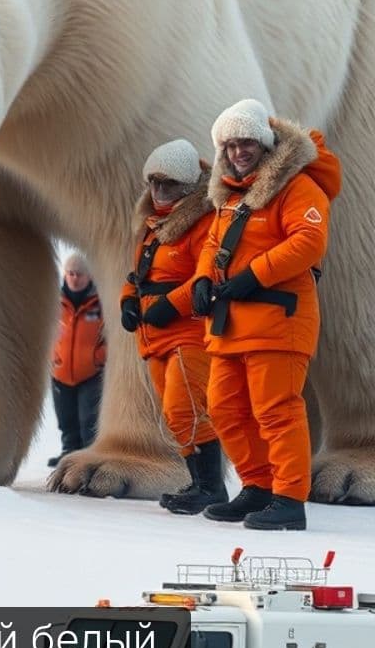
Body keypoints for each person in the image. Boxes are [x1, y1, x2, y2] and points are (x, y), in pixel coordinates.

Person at [193, 99, 341, 530]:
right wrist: (203, 277)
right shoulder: (230, 194)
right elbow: (212, 245)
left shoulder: (298, 186)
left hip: (280, 321)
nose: (239, 151)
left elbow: (309, 241)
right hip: (232, 324)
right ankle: (257, 487)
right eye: (231, 144)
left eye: (247, 143)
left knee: (276, 410)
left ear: (265, 142)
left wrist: (254, 275)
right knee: (223, 407)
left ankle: (289, 499)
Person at [120, 139, 227, 513]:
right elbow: (138, 275)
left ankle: (212, 487)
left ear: (188, 187)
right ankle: (199, 483)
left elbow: (208, 273)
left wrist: (172, 305)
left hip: (187, 333)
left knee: (189, 409)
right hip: (154, 335)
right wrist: (128, 302)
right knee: (174, 414)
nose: (159, 192)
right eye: (154, 183)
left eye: (168, 185)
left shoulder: (203, 223)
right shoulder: (153, 226)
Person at [48, 253, 106, 467]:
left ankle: (89, 457)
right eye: (70, 274)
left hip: (90, 373)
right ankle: (69, 452)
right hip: (60, 372)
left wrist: (98, 357)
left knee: (88, 419)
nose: (74, 278)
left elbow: (111, 335)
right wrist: (51, 357)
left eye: (79, 274)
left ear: (89, 276)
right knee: (66, 419)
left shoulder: (100, 303)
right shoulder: (55, 302)